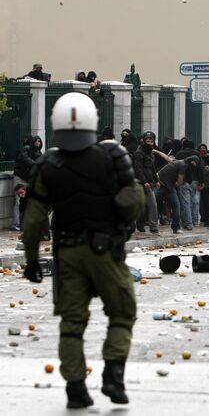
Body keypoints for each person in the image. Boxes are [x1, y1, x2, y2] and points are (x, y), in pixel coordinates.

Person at [21, 92, 144, 409]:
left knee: (72, 323)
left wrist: (32, 260)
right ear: (93, 123)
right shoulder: (112, 156)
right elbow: (133, 204)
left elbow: (34, 221)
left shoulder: (47, 164)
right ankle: (113, 374)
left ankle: (75, 388)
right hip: (105, 252)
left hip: (68, 254)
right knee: (122, 310)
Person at [13, 135, 42, 230]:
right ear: (33, 142)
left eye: (39, 141)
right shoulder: (26, 149)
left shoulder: (39, 153)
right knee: (18, 201)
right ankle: (16, 224)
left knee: (28, 202)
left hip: (29, 180)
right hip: (20, 177)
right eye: (36, 141)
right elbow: (25, 159)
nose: (38, 142)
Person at [133, 131, 160, 234]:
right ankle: (136, 225)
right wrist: (144, 182)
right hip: (140, 183)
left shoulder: (151, 153)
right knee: (139, 206)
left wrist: (156, 180)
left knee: (152, 205)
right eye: (147, 141)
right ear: (143, 142)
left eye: (151, 141)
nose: (150, 143)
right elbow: (138, 169)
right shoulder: (139, 153)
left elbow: (152, 168)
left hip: (150, 183)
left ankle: (153, 227)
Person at [156, 157, 190, 234]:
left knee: (176, 205)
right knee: (154, 204)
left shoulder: (177, 162)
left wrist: (156, 151)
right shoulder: (181, 165)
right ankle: (174, 226)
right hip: (160, 184)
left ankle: (175, 227)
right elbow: (179, 183)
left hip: (168, 187)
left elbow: (166, 157)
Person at [176, 140, 203, 230]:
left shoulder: (179, 154)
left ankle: (188, 222)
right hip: (194, 181)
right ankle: (190, 221)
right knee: (191, 202)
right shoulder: (196, 153)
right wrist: (201, 181)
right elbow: (200, 168)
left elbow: (176, 166)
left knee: (185, 202)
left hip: (183, 180)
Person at [198, 144, 209, 228]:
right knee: (202, 205)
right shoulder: (199, 160)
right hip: (202, 185)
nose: (202, 150)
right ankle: (203, 219)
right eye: (201, 148)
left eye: (204, 148)